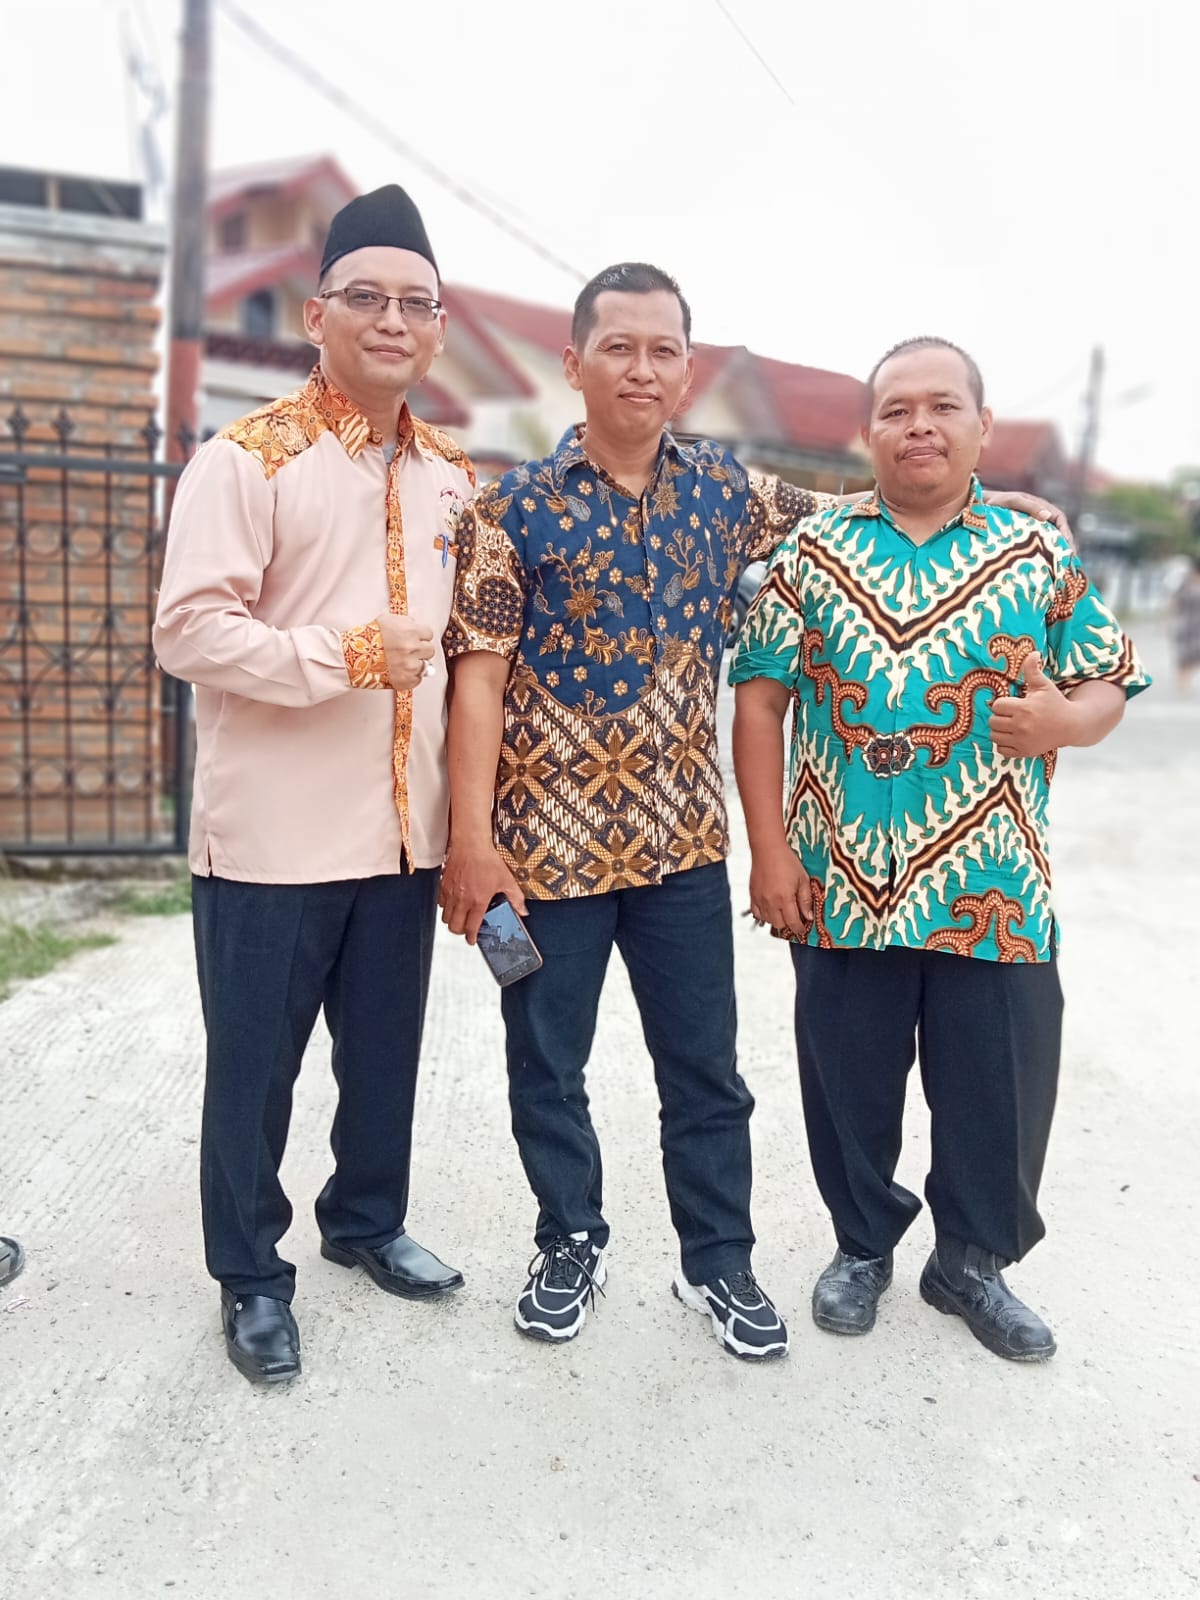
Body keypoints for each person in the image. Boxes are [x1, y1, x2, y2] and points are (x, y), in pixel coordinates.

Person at [440, 269, 1063, 1361]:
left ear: (688, 370)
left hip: (683, 849)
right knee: (547, 1062)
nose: (642, 369)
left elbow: (867, 512)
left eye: (664, 350)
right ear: (574, 364)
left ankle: (717, 1260)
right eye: (619, 347)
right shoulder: (511, 510)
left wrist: (987, 501)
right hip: (544, 856)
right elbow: (477, 683)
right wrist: (472, 842)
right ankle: (569, 1239)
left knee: (706, 1073)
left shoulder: (727, 491)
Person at [730, 336, 1150, 1362]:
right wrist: (770, 852)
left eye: (942, 406)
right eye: (897, 409)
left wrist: (1068, 722)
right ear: (867, 432)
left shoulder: (1034, 549)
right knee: (848, 1082)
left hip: (992, 883)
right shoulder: (813, 552)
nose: (919, 424)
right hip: (842, 878)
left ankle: (970, 1261)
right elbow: (761, 700)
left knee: (1000, 1084)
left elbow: (1107, 679)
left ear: (981, 427)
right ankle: (861, 1246)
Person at [153, 186, 472, 1384]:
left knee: (385, 1053)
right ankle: (249, 1272)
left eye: (415, 303)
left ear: (438, 329)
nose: (392, 320)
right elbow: (189, 630)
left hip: (402, 837)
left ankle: (367, 1221)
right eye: (366, 297)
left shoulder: (453, 479)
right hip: (274, 841)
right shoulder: (247, 460)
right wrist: (343, 656)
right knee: (255, 1073)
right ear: (314, 314)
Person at [1168, 553, 1200, 693]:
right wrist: (1167, 620)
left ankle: (1185, 678)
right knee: (1183, 653)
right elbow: (1174, 601)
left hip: (1198, 625)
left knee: (1196, 653)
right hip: (1185, 624)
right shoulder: (1185, 583)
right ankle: (1181, 680)